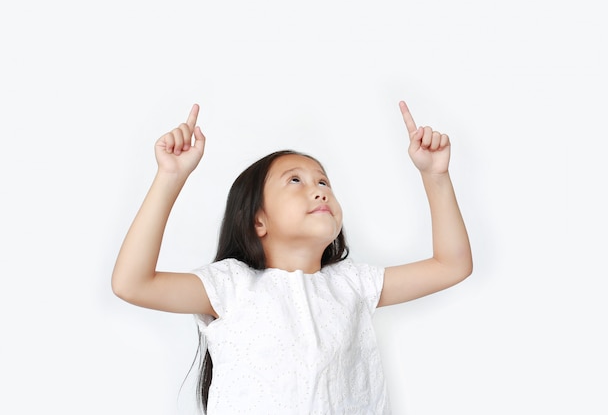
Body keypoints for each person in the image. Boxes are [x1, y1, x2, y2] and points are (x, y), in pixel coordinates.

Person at [111, 102, 473, 414]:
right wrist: (169, 177)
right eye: (295, 181)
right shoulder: (230, 286)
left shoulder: (353, 286)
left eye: (323, 182)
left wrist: (435, 175)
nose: (318, 191)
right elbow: (132, 283)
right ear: (258, 220)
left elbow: (452, 265)